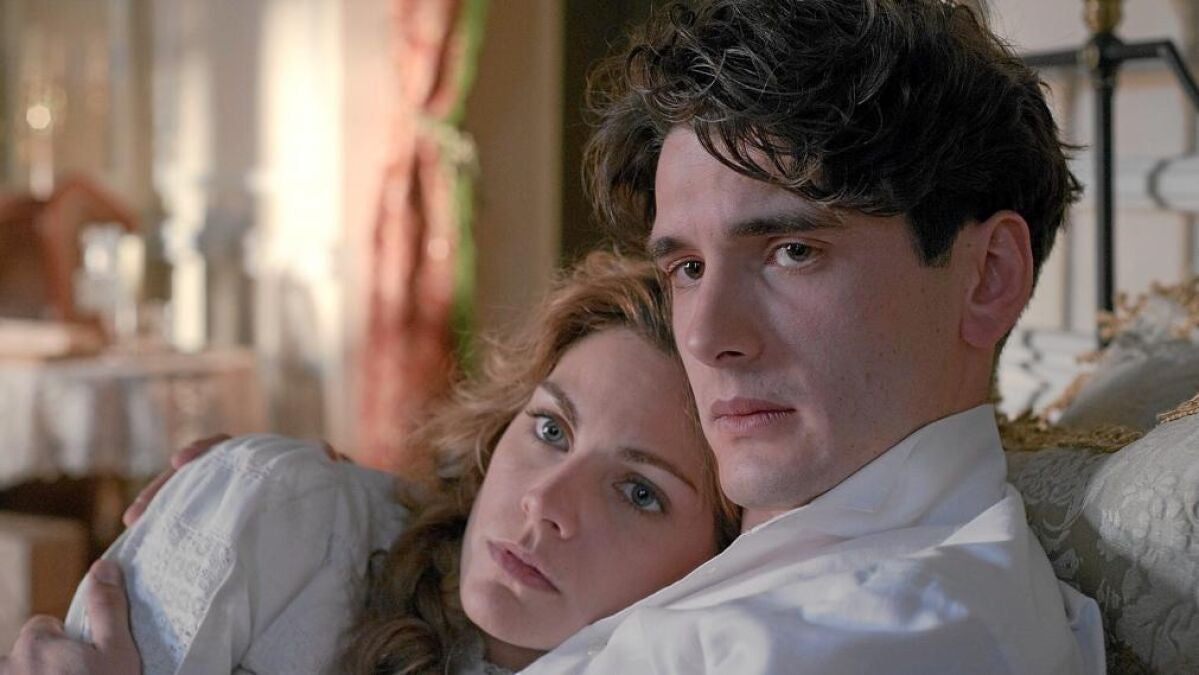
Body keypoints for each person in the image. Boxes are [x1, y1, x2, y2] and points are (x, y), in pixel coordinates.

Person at [511, 0, 1103, 672]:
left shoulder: (891, 631)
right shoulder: (725, 567)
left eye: (792, 251)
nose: (704, 338)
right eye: (688, 268)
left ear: (988, 276)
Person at [0, 251, 739, 674]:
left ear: (724, 558)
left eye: (638, 491)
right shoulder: (286, 520)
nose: (545, 502)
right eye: (549, 428)